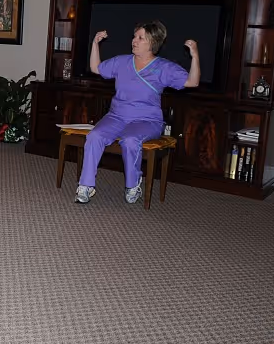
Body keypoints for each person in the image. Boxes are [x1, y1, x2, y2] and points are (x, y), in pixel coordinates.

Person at [76, 20, 200, 205]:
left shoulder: (164, 67)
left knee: (130, 141)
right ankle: (86, 185)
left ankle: (133, 185)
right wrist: (95, 43)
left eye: (140, 38)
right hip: (117, 116)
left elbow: (192, 82)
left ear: (153, 43)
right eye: (135, 36)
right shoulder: (122, 61)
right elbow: (96, 68)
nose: (134, 40)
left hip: (147, 120)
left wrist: (195, 56)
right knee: (95, 136)